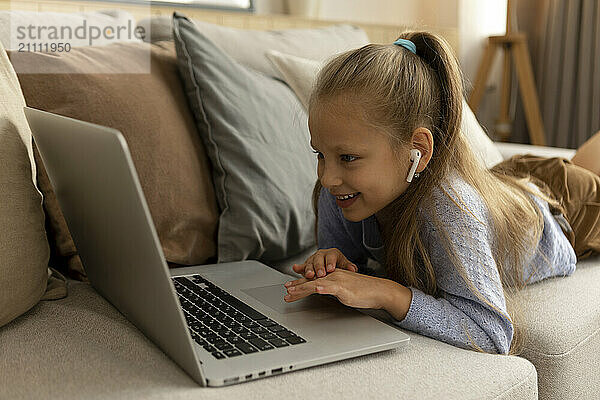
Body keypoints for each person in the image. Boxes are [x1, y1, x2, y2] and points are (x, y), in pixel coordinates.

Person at [281, 32, 600, 356]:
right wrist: (332, 261)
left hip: (565, 209)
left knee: (586, 169)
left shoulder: (451, 211)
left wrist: (391, 295)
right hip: (503, 187)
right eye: (320, 154)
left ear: (417, 150)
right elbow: (352, 268)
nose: (327, 177)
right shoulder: (341, 191)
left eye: (347, 158)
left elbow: (491, 333)